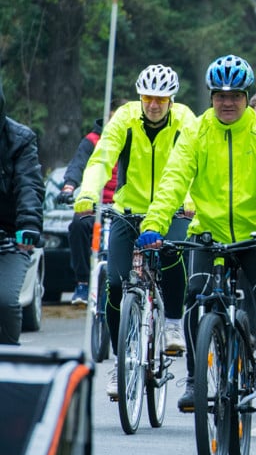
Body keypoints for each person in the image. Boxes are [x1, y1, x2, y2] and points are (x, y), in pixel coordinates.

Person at [137, 54, 256, 419]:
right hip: (208, 234)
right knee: (195, 297)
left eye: (235, 96)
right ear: (211, 97)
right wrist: (154, 224)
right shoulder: (195, 131)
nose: (227, 103)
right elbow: (174, 180)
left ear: (246, 96)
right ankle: (195, 379)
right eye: (220, 95)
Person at [74, 65, 195, 398]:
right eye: (147, 98)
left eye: (161, 99)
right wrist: (88, 192)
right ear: (139, 97)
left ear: (171, 99)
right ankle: (120, 361)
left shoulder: (186, 121)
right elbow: (102, 159)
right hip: (129, 210)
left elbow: (195, 163)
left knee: (173, 251)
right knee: (115, 284)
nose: (153, 105)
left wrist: (187, 199)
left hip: (173, 209)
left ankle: (172, 322)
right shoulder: (125, 119)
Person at [55, 98, 125, 305]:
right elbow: (78, 165)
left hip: (125, 205)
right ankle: (83, 282)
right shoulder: (93, 140)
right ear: (107, 117)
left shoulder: (133, 139)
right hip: (95, 204)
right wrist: (69, 186)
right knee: (78, 225)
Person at [0, 75, 44, 346]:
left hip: (9, 237)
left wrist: (28, 223)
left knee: (4, 301)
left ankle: (8, 362)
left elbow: (30, 184)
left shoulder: (20, 139)